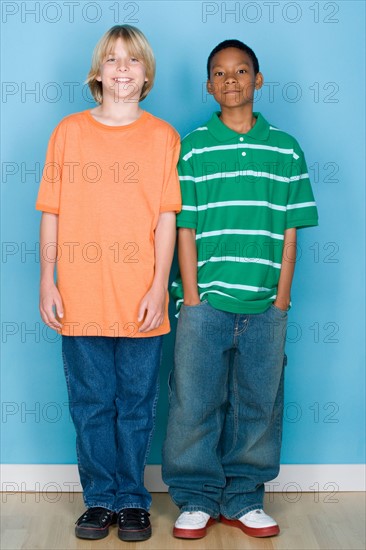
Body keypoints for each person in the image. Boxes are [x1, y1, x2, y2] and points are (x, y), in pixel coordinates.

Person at [162, 39, 318, 539]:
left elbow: (291, 227)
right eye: (220, 73)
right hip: (205, 301)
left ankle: (245, 496)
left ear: (258, 80)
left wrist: (282, 296)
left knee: (259, 402)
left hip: (266, 303)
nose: (231, 79)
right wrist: (191, 296)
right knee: (194, 401)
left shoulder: (286, 148)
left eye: (242, 70)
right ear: (209, 85)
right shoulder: (192, 147)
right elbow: (184, 225)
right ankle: (195, 497)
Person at [36, 25, 181, 542]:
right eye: (113, 59)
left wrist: (159, 286)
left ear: (146, 74)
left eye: (134, 60)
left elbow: (167, 218)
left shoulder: (163, 136)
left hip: (142, 295)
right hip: (80, 293)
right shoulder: (69, 132)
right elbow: (50, 212)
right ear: (98, 72)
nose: (123, 68)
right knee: (92, 403)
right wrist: (46, 282)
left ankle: (133, 501)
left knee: (137, 405)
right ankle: (99, 499)